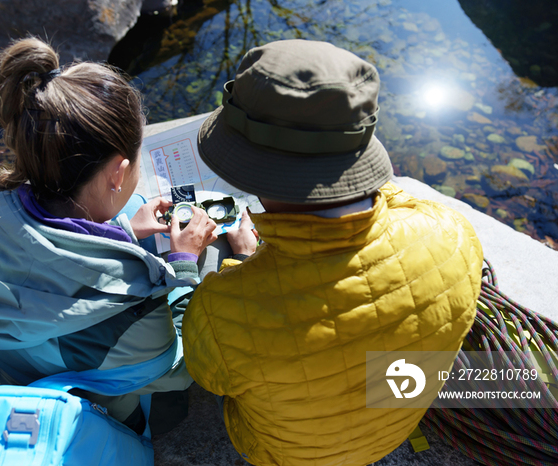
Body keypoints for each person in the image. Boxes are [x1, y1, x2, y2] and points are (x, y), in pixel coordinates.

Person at [182, 40, 484, 465]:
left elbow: (208, 378)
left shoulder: (218, 311)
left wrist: (247, 266)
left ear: (252, 169)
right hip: (393, 426)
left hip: (284, 455)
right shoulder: (453, 233)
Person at [0, 37, 218, 434]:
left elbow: (39, 265)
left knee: (129, 207)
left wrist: (119, 231)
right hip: (94, 413)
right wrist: (184, 266)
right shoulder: (130, 307)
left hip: (12, 372)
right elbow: (180, 364)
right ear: (118, 172)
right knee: (213, 267)